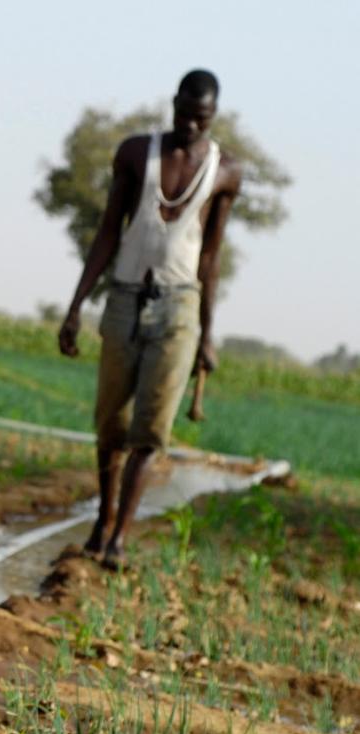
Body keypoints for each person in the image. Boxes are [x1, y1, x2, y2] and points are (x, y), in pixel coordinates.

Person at [57, 69, 241, 569]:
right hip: (124, 298)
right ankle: (103, 519)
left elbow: (211, 257)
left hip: (180, 307)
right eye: (184, 114)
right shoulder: (137, 153)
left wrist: (207, 334)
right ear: (173, 104)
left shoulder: (225, 172)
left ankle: (119, 536)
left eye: (201, 119)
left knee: (150, 430)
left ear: (212, 116)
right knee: (110, 425)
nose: (190, 125)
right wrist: (75, 306)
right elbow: (107, 233)